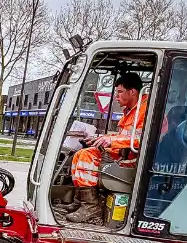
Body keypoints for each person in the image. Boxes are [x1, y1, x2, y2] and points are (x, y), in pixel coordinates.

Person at [62, 73, 148, 224]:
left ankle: (91, 206)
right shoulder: (131, 110)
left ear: (133, 91)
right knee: (79, 155)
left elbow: (142, 139)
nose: (116, 96)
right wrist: (101, 138)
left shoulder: (145, 111)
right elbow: (124, 135)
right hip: (122, 153)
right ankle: (81, 200)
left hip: (133, 160)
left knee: (87, 156)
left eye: (120, 92)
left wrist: (111, 140)